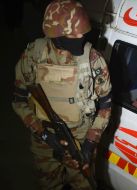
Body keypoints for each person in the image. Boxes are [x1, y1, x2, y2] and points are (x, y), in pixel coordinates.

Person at [12, 0, 112, 189]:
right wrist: (43, 135)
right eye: (75, 32)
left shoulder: (94, 60)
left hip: (82, 140)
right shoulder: (34, 55)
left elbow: (106, 106)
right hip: (44, 141)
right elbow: (18, 101)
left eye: (83, 30)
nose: (82, 35)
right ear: (56, 34)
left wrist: (90, 143)